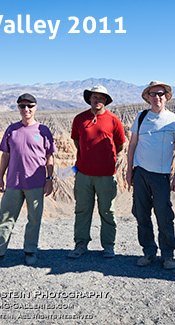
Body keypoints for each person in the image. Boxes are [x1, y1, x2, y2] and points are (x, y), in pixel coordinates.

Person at [0, 93, 56, 269]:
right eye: (22, 106)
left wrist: (50, 179)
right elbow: (5, 155)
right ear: (18, 108)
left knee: (34, 219)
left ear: (36, 107)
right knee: (5, 218)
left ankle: (30, 251)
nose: (26, 109)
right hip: (13, 182)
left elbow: (49, 157)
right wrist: (0, 178)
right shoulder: (11, 130)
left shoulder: (43, 130)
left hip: (35, 183)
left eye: (30, 106)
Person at [126, 81, 175, 269]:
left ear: (166, 96)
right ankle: (149, 252)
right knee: (141, 214)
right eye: (153, 94)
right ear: (148, 97)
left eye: (160, 94)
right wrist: (129, 170)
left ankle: (168, 254)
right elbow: (132, 145)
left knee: (164, 215)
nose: (157, 97)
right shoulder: (141, 117)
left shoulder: (174, 120)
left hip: (161, 175)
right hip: (141, 173)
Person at [68, 85, 126, 259]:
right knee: (82, 210)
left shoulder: (113, 120)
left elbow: (120, 145)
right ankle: (80, 244)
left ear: (106, 100)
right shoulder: (79, 119)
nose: (98, 100)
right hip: (84, 174)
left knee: (107, 211)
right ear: (89, 99)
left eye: (101, 97)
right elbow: (77, 141)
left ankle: (108, 246)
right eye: (95, 97)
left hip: (106, 175)